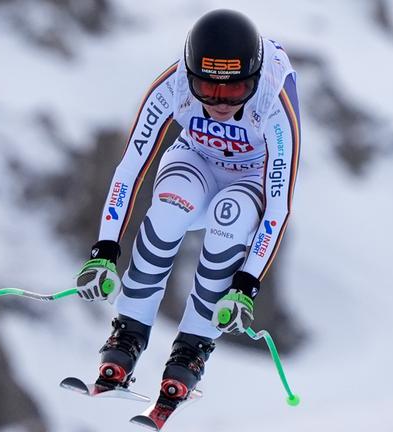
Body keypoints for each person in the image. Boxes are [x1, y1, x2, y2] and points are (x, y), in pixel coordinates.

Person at [75, 8, 301, 405]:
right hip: (194, 160)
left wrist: (246, 286)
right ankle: (128, 333)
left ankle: (191, 349)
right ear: (190, 75)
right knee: (167, 209)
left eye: (233, 92)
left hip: (249, 179)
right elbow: (130, 168)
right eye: (207, 89)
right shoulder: (173, 85)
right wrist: (105, 250)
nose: (219, 103)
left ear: (254, 79)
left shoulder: (274, 98)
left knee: (227, 222)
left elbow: (278, 207)